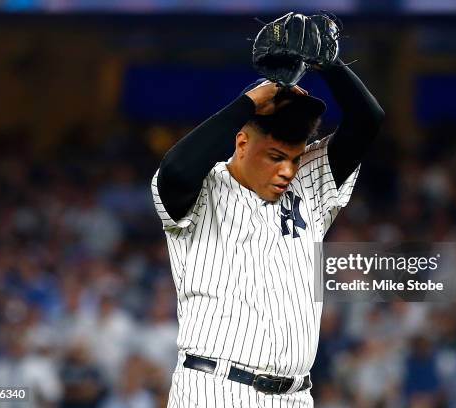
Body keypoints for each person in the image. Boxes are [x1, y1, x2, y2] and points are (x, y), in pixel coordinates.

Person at [151, 54, 384, 406]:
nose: (288, 170)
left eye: (294, 157)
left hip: (295, 396)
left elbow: (368, 121)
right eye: (275, 157)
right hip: (215, 387)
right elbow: (177, 170)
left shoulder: (306, 184)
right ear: (242, 143)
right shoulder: (203, 188)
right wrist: (250, 102)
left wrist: (329, 62)